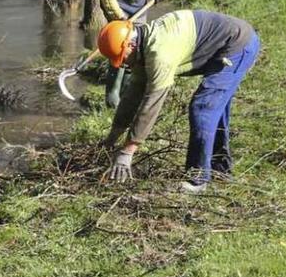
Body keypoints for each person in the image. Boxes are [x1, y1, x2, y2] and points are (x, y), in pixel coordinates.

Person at [96, 10, 260, 193]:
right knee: (215, 107)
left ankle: (198, 179)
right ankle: (220, 168)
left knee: (203, 108)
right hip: (225, 43)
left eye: (122, 59)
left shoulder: (160, 55)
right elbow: (132, 97)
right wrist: (112, 138)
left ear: (131, 46)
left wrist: (128, 151)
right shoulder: (143, 47)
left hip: (237, 45)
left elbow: (151, 105)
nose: (124, 64)